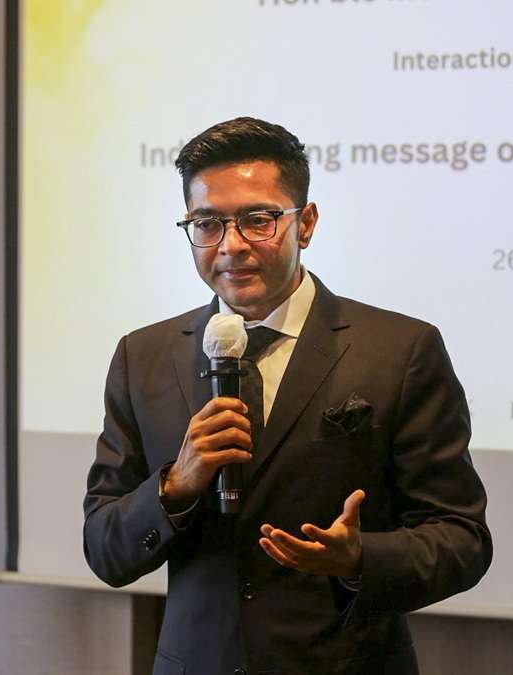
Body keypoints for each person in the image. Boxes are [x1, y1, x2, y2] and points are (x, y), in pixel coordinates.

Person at [82, 117, 491, 675]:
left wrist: (360, 558)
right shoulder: (144, 356)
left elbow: (463, 539)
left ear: (306, 223)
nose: (231, 246)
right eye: (207, 223)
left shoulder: (401, 350)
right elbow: (104, 548)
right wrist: (175, 486)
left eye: (258, 220)